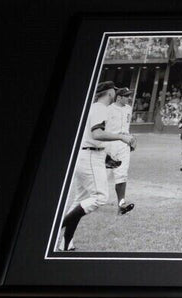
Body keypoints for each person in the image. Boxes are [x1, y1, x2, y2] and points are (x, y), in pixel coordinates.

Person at [58, 81, 136, 251]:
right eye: (113, 91)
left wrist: (106, 155)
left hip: (87, 153)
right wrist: (121, 137)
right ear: (109, 92)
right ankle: (56, 228)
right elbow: (97, 133)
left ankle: (65, 244)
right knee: (100, 197)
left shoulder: (93, 107)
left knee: (79, 200)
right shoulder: (100, 108)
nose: (115, 93)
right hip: (90, 155)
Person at [105, 87, 136, 215]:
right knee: (103, 174)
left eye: (129, 95)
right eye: (126, 96)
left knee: (122, 173)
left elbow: (126, 127)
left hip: (124, 144)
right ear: (119, 97)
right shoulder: (108, 109)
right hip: (110, 142)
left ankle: (121, 204)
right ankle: (90, 199)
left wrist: (131, 139)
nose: (129, 98)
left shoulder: (128, 109)